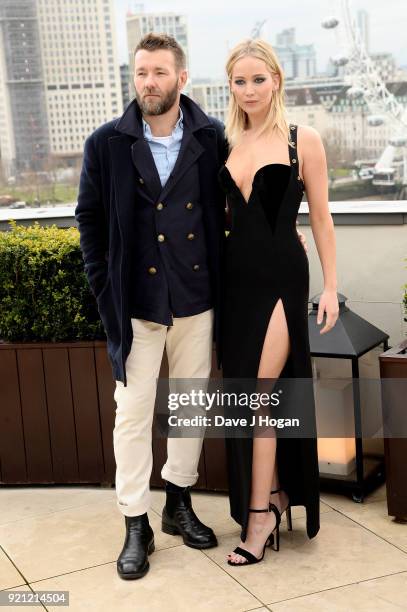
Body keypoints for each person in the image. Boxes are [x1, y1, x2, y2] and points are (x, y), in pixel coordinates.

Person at [75, 33, 309, 580]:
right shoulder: (106, 142)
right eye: (140, 73)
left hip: (199, 299)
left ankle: (178, 503)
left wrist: (284, 239)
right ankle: (136, 522)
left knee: (189, 408)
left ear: (181, 78)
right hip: (135, 306)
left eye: (159, 72)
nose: (148, 82)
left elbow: (248, 198)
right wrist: (105, 291)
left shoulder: (212, 137)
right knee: (132, 416)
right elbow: (89, 222)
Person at [217, 39, 339, 566]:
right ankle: (275, 494)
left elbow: (321, 217)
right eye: (239, 82)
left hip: (281, 283)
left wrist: (331, 286)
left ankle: (259, 516)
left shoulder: (301, 139)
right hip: (235, 284)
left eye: (257, 80)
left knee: (259, 397)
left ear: (277, 80)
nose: (249, 91)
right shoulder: (223, 140)